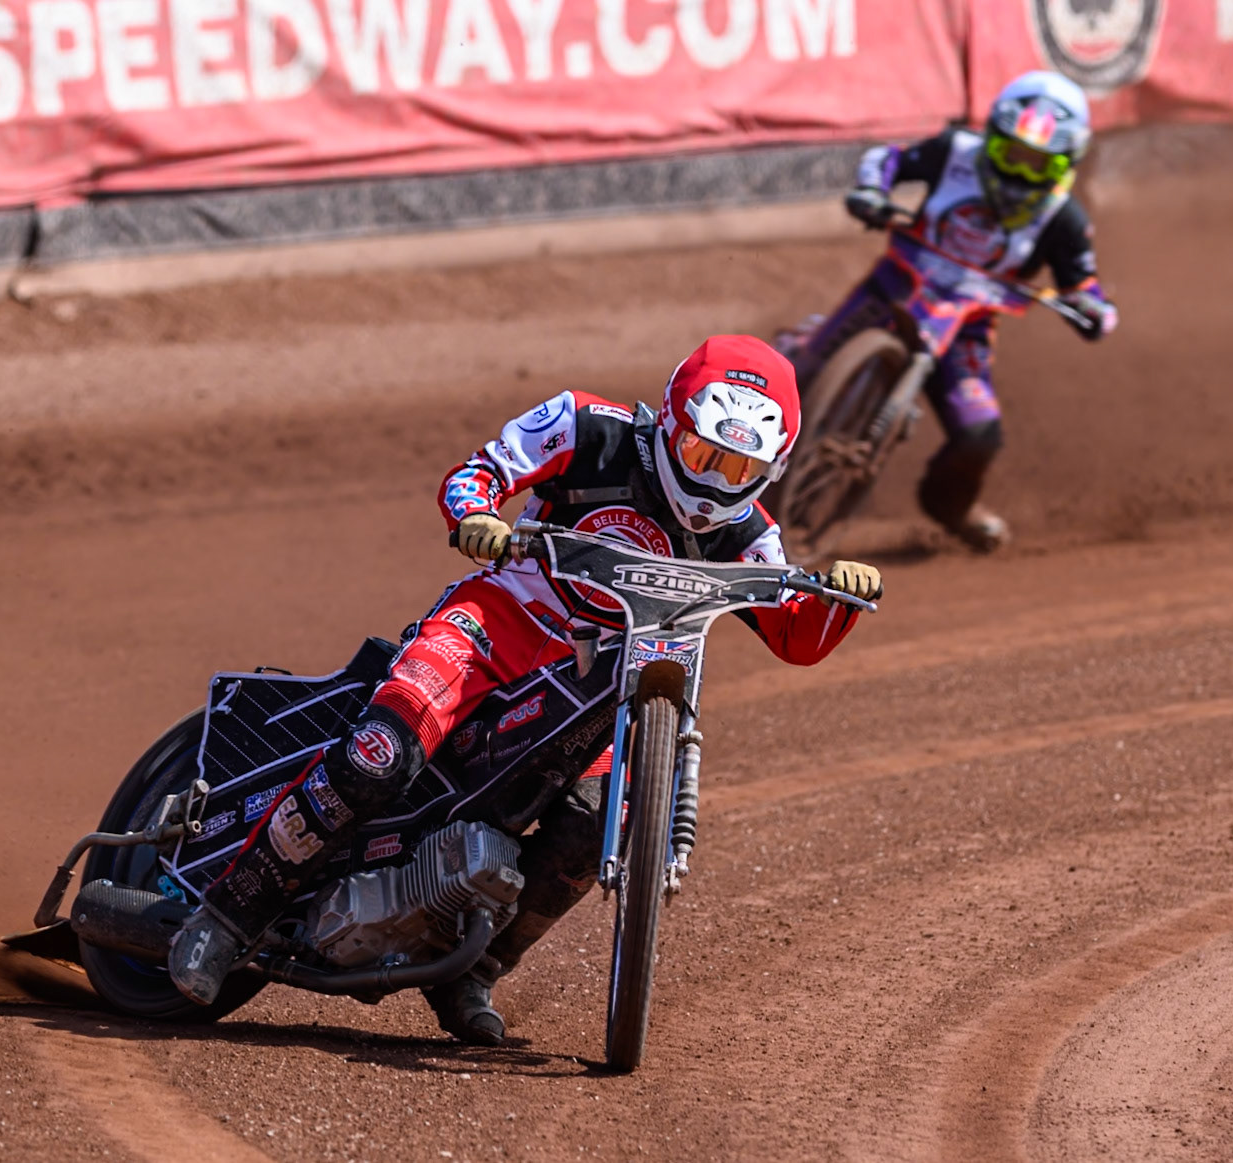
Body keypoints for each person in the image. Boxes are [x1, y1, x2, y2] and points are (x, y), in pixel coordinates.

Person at [168, 335, 884, 1044]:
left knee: (598, 823)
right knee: (380, 754)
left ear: (773, 466)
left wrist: (840, 598)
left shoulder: (751, 535)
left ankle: (472, 972)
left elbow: (796, 637)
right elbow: (477, 473)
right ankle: (225, 917)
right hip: (500, 621)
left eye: (740, 467)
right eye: (704, 455)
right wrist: (477, 516)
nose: (716, 481)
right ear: (670, 423)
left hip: (609, 678)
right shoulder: (586, 425)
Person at [791, 70, 1119, 553]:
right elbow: (886, 159)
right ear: (991, 141)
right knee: (800, 372)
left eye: (1038, 167)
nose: (1019, 176)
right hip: (894, 287)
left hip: (965, 329)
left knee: (980, 436)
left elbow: (1086, 288)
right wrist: (872, 192)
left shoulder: (1064, 219)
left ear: (1066, 164)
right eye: (1012, 156)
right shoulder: (952, 153)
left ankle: (952, 506)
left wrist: (1093, 311)